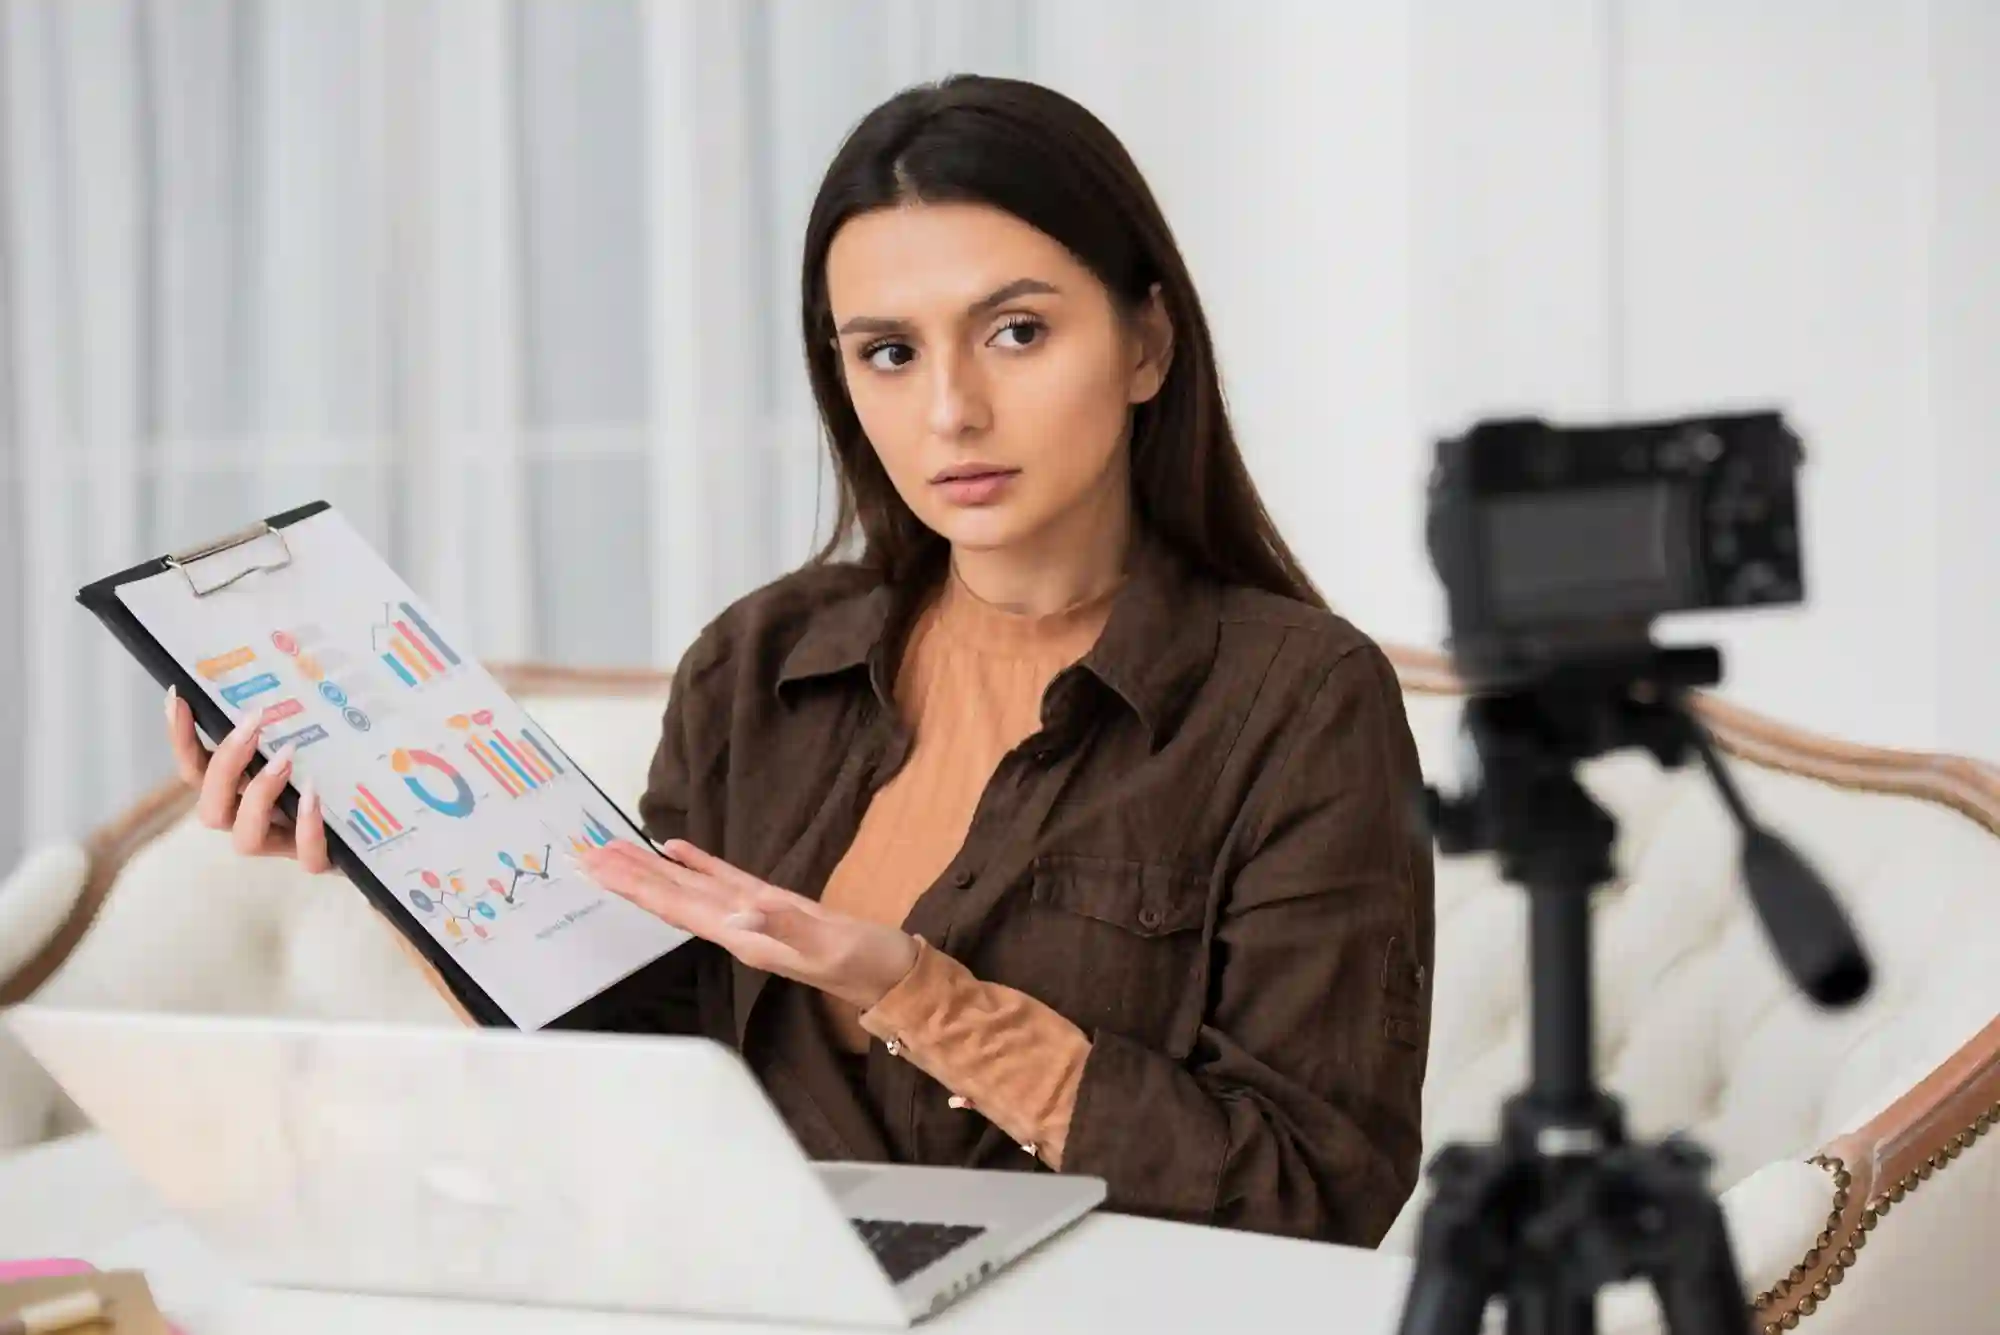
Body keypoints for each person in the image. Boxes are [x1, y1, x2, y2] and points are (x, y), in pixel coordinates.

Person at [162, 73, 1434, 1248]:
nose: (949, 412)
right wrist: (412, 873)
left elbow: (1313, 1197)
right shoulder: (758, 660)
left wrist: (915, 991)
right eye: (888, 351)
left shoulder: (1299, 701)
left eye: (1015, 333)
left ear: (1145, 344)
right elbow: (651, 1075)